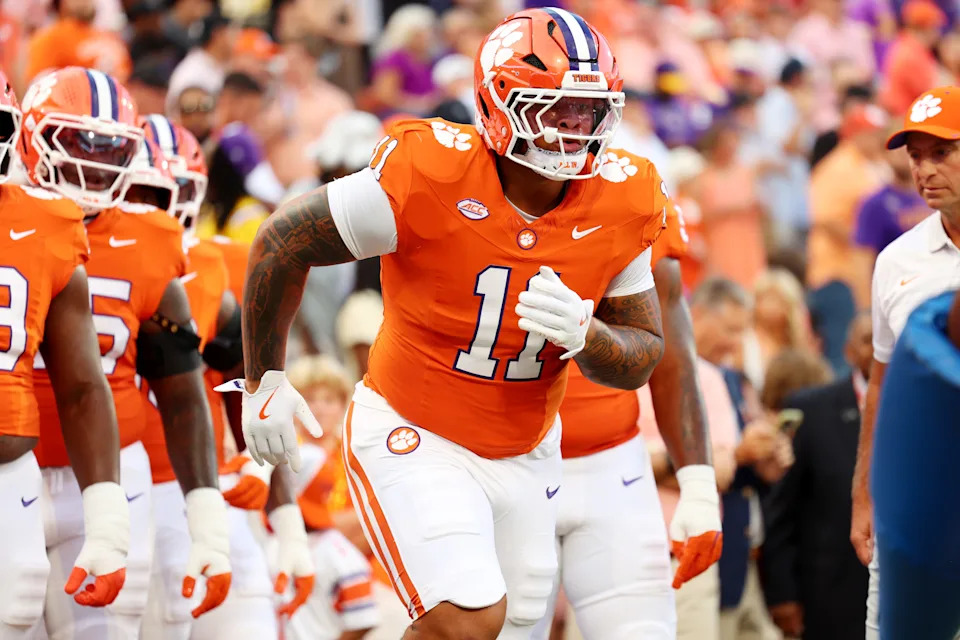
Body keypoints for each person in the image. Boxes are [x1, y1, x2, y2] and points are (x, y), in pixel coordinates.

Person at [221, 8, 671, 639]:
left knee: (515, 625)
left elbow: (644, 352)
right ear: (500, 105)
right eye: (556, 110)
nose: (576, 130)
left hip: (527, 446)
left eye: (589, 112)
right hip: (414, 428)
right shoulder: (427, 172)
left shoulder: (625, 198)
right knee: (466, 616)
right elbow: (281, 241)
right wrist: (263, 378)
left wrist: (588, 336)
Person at [22, 67, 232, 638]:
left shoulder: (150, 238)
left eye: (109, 148)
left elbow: (183, 389)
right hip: (11, 465)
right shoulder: (10, 218)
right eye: (74, 143)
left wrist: (207, 517)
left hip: (113, 471)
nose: (90, 163)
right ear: (30, 138)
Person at [531, 201, 721, 640]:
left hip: (613, 465)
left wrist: (698, 484)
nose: (571, 132)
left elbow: (672, 357)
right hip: (502, 458)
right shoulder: (465, 185)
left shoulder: (632, 193)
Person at [0, 72, 132, 637]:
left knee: (21, 604)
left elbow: (82, 385)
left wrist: (106, 520)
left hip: (12, 473)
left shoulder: (46, 221)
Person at [851, 85, 960, 640]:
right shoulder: (897, 259)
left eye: (941, 152)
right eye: (915, 156)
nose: (924, 169)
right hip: (919, 493)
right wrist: (864, 490)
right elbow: (882, 379)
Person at [762, 312, 872, 640]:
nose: (881, 347)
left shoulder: (927, 405)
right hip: (829, 599)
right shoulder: (812, 409)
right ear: (849, 351)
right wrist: (782, 594)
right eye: (868, 340)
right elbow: (782, 509)